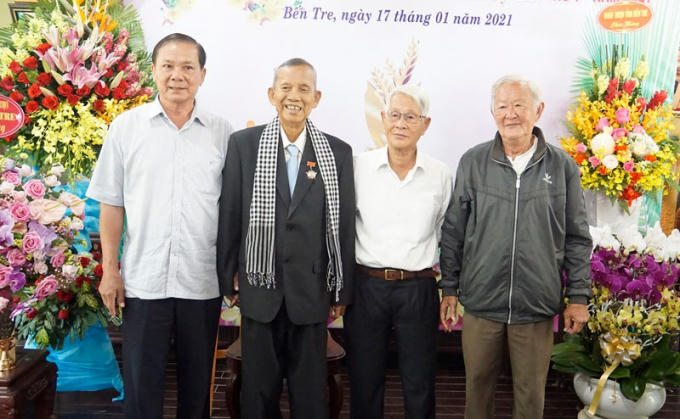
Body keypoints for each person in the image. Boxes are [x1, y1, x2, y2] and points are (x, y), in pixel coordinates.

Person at [86, 33, 233, 419]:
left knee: (196, 389)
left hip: (201, 281)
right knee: (141, 387)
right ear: (153, 71)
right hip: (143, 281)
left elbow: (233, 209)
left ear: (202, 74)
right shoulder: (126, 128)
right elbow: (111, 204)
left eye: (187, 67)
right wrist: (110, 271)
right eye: (168, 66)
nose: (177, 75)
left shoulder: (223, 133)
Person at [439, 74, 592, 419]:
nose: (511, 114)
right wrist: (449, 286)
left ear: (538, 110)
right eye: (503, 106)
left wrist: (578, 297)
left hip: (536, 304)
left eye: (519, 105)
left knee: (530, 397)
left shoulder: (562, 166)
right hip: (481, 300)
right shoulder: (474, 162)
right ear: (492, 111)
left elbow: (577, 236)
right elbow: (453, 230)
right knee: (477, 392)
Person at [216, 58, 355, 419]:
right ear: (271, 94)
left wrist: (341, 290)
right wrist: (227, 277)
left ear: (317, 98)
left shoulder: (337, 153)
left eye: (304, 89)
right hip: (259, 288)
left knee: (310, 396)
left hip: (311, 292)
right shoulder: (244, 145)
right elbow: (231, 214)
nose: (294, 96)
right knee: (257, 394)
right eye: (286, 88)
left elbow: (343, 227)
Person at [345, 85, 452, 419]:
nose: (401, 124)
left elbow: (447, 235)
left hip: (418, 288)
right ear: (383, 119)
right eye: (395, 115)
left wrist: (450, 288)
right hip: (366, 287)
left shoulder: (440, 174)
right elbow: (342, 229)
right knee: (364, 381)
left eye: (410, 117)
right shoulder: (358, 167)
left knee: (420, 383)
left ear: (425, 124)